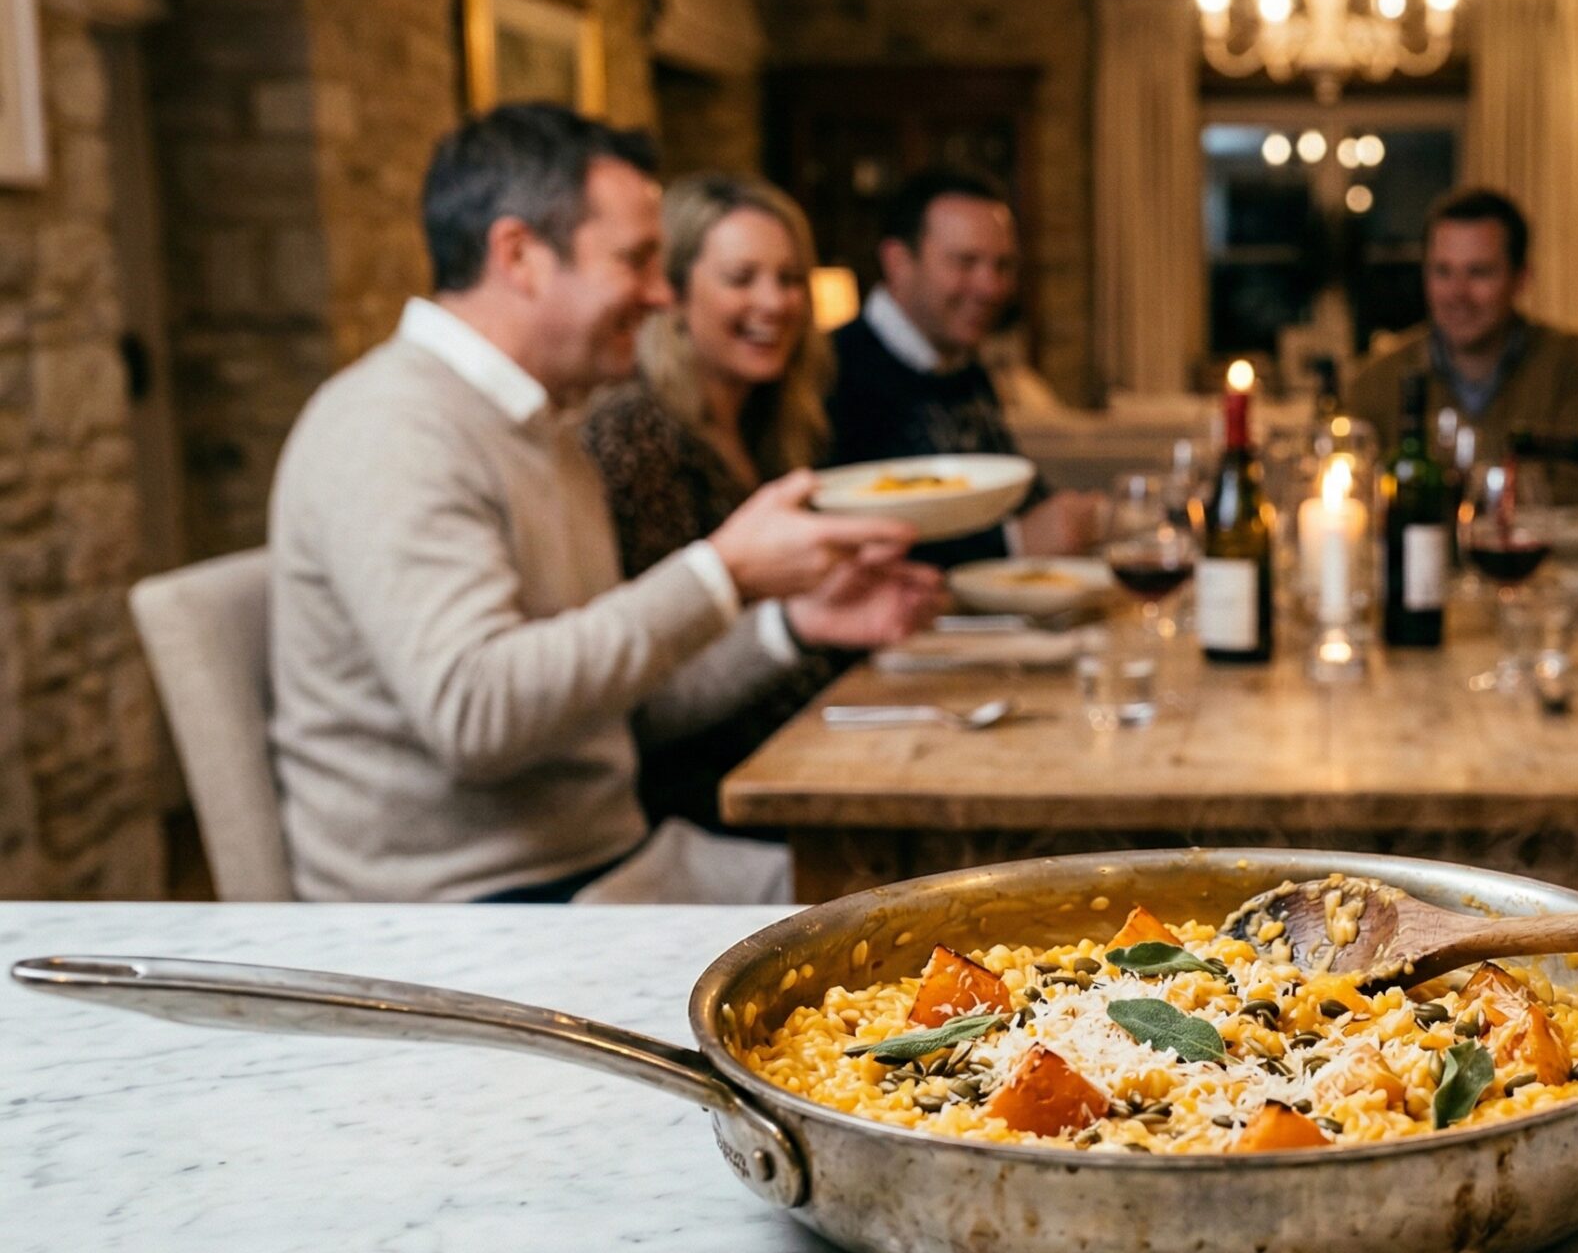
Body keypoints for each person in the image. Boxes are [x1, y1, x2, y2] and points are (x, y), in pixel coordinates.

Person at [268, 105, 940, 904]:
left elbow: (621, 702)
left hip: (607, 865)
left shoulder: (545, 428)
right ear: (520, 255)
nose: (661, 295)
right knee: (902, 930)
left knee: (934, 898)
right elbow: (477, 714)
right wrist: (720, 571)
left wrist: (790, 625)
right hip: (476, 911)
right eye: (637, 261)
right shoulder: (393, 427)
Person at [584, 173, 932, 835]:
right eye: (742, 278)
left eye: (790, 278)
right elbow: (650, 688)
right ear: (675, 293)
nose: (774, 302)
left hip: (812, 757)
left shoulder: (774, 426)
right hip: (712, 805)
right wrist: (797, 624)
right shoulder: (637, 435)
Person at [825, 167, 1097, 566]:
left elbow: (1018, 493)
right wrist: (1012, 542)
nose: (991, 287)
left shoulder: (964, 365)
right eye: (965, 262)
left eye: (1003, 266)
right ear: (898, 262)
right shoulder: (832, 372)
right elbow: (842, 541)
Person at [1346, 188, 1578, 494]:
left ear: (1521, 278)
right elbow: (1356, 496)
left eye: (1479, 272)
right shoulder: (1376, 380)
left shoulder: (1570, 364)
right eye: (1442, 271)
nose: (1457, 294)